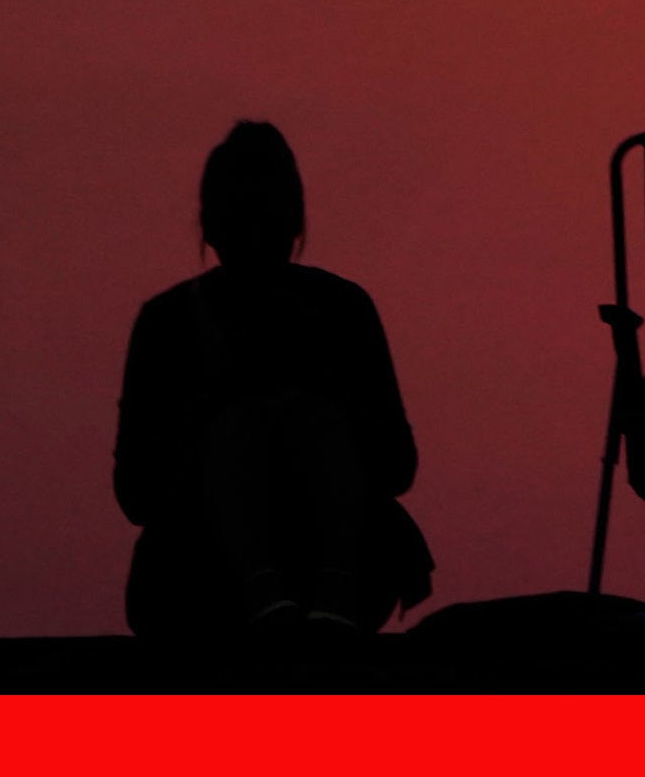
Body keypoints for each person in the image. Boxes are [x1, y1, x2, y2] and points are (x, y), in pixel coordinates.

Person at [114, 120, 433, 642]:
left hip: (271, 576)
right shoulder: (171, 322)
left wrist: (316, 421)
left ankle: (314, 590)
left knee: (306, 419)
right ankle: (278, 591)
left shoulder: (340, 310)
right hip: (201, 575)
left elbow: (396, 466)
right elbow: (137, 492)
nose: (256, 236)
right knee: (249, 423)